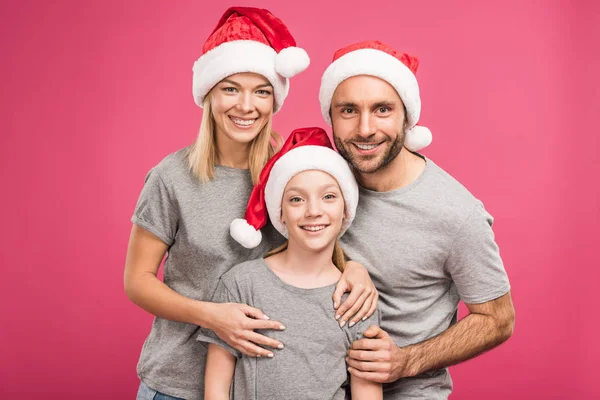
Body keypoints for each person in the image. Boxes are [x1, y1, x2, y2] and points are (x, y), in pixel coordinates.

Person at [124, 8, 377, 400]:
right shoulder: (170, 177)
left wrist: (354, 267)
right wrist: (211, 315)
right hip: (175, 383)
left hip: (259, 384)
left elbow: (315, 236)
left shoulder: (289, 170)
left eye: (261, 91)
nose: (246, 106)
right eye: (230, 88)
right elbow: (137, 281)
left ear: (274, 100)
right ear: (209, 93)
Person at [318, 40, 516, 398]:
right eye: (348, 110)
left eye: (382, 110)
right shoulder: (316, 183)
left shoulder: (455, 213)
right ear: (330, 116)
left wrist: (407, 361)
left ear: (407, 117)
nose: (365, 129)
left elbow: (498, 319)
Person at [197, 127, 382, 400]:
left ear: (346, 209)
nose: (313, 211)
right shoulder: (242, 284)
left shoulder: (356, 299)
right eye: (296, 199)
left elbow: (366, 393)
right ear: (279, 212)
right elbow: (216, 390)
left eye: (329, 196)